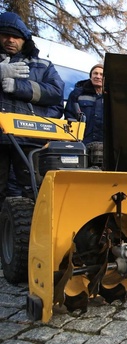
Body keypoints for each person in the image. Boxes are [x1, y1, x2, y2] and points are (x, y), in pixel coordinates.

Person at [0, 11, 64, 206]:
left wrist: (20, 88)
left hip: (29, 139)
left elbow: (56, 94)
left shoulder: (43, 65)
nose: (10, 40)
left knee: (32, 190)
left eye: (16, 36)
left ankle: (30, 235)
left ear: (25, 39)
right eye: (5, 35)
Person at [64, 64, 104, 145]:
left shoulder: (112, 96)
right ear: (90, 76)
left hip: (104, 145)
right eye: (95, 73)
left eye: (101, 74)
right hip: (82, 143)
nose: (98, 76)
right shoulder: (77, 94)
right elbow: (69, 117)